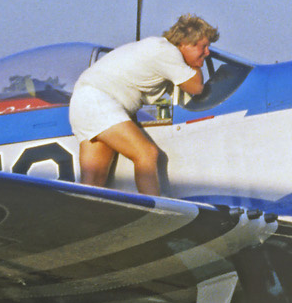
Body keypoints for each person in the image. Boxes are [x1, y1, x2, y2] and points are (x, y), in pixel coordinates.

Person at [69, 15, 217, 196]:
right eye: (204, 46)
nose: (208, 52)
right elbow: (196, 87)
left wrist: (193, 60)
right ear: (186, 43)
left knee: (94, 182)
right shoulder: (166, 52)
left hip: (84, 103)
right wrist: (195, 65)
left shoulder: (161, 53)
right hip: (97, 100)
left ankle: (84, 223)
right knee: (147, 153)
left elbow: (184, 100)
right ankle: (154, 213)